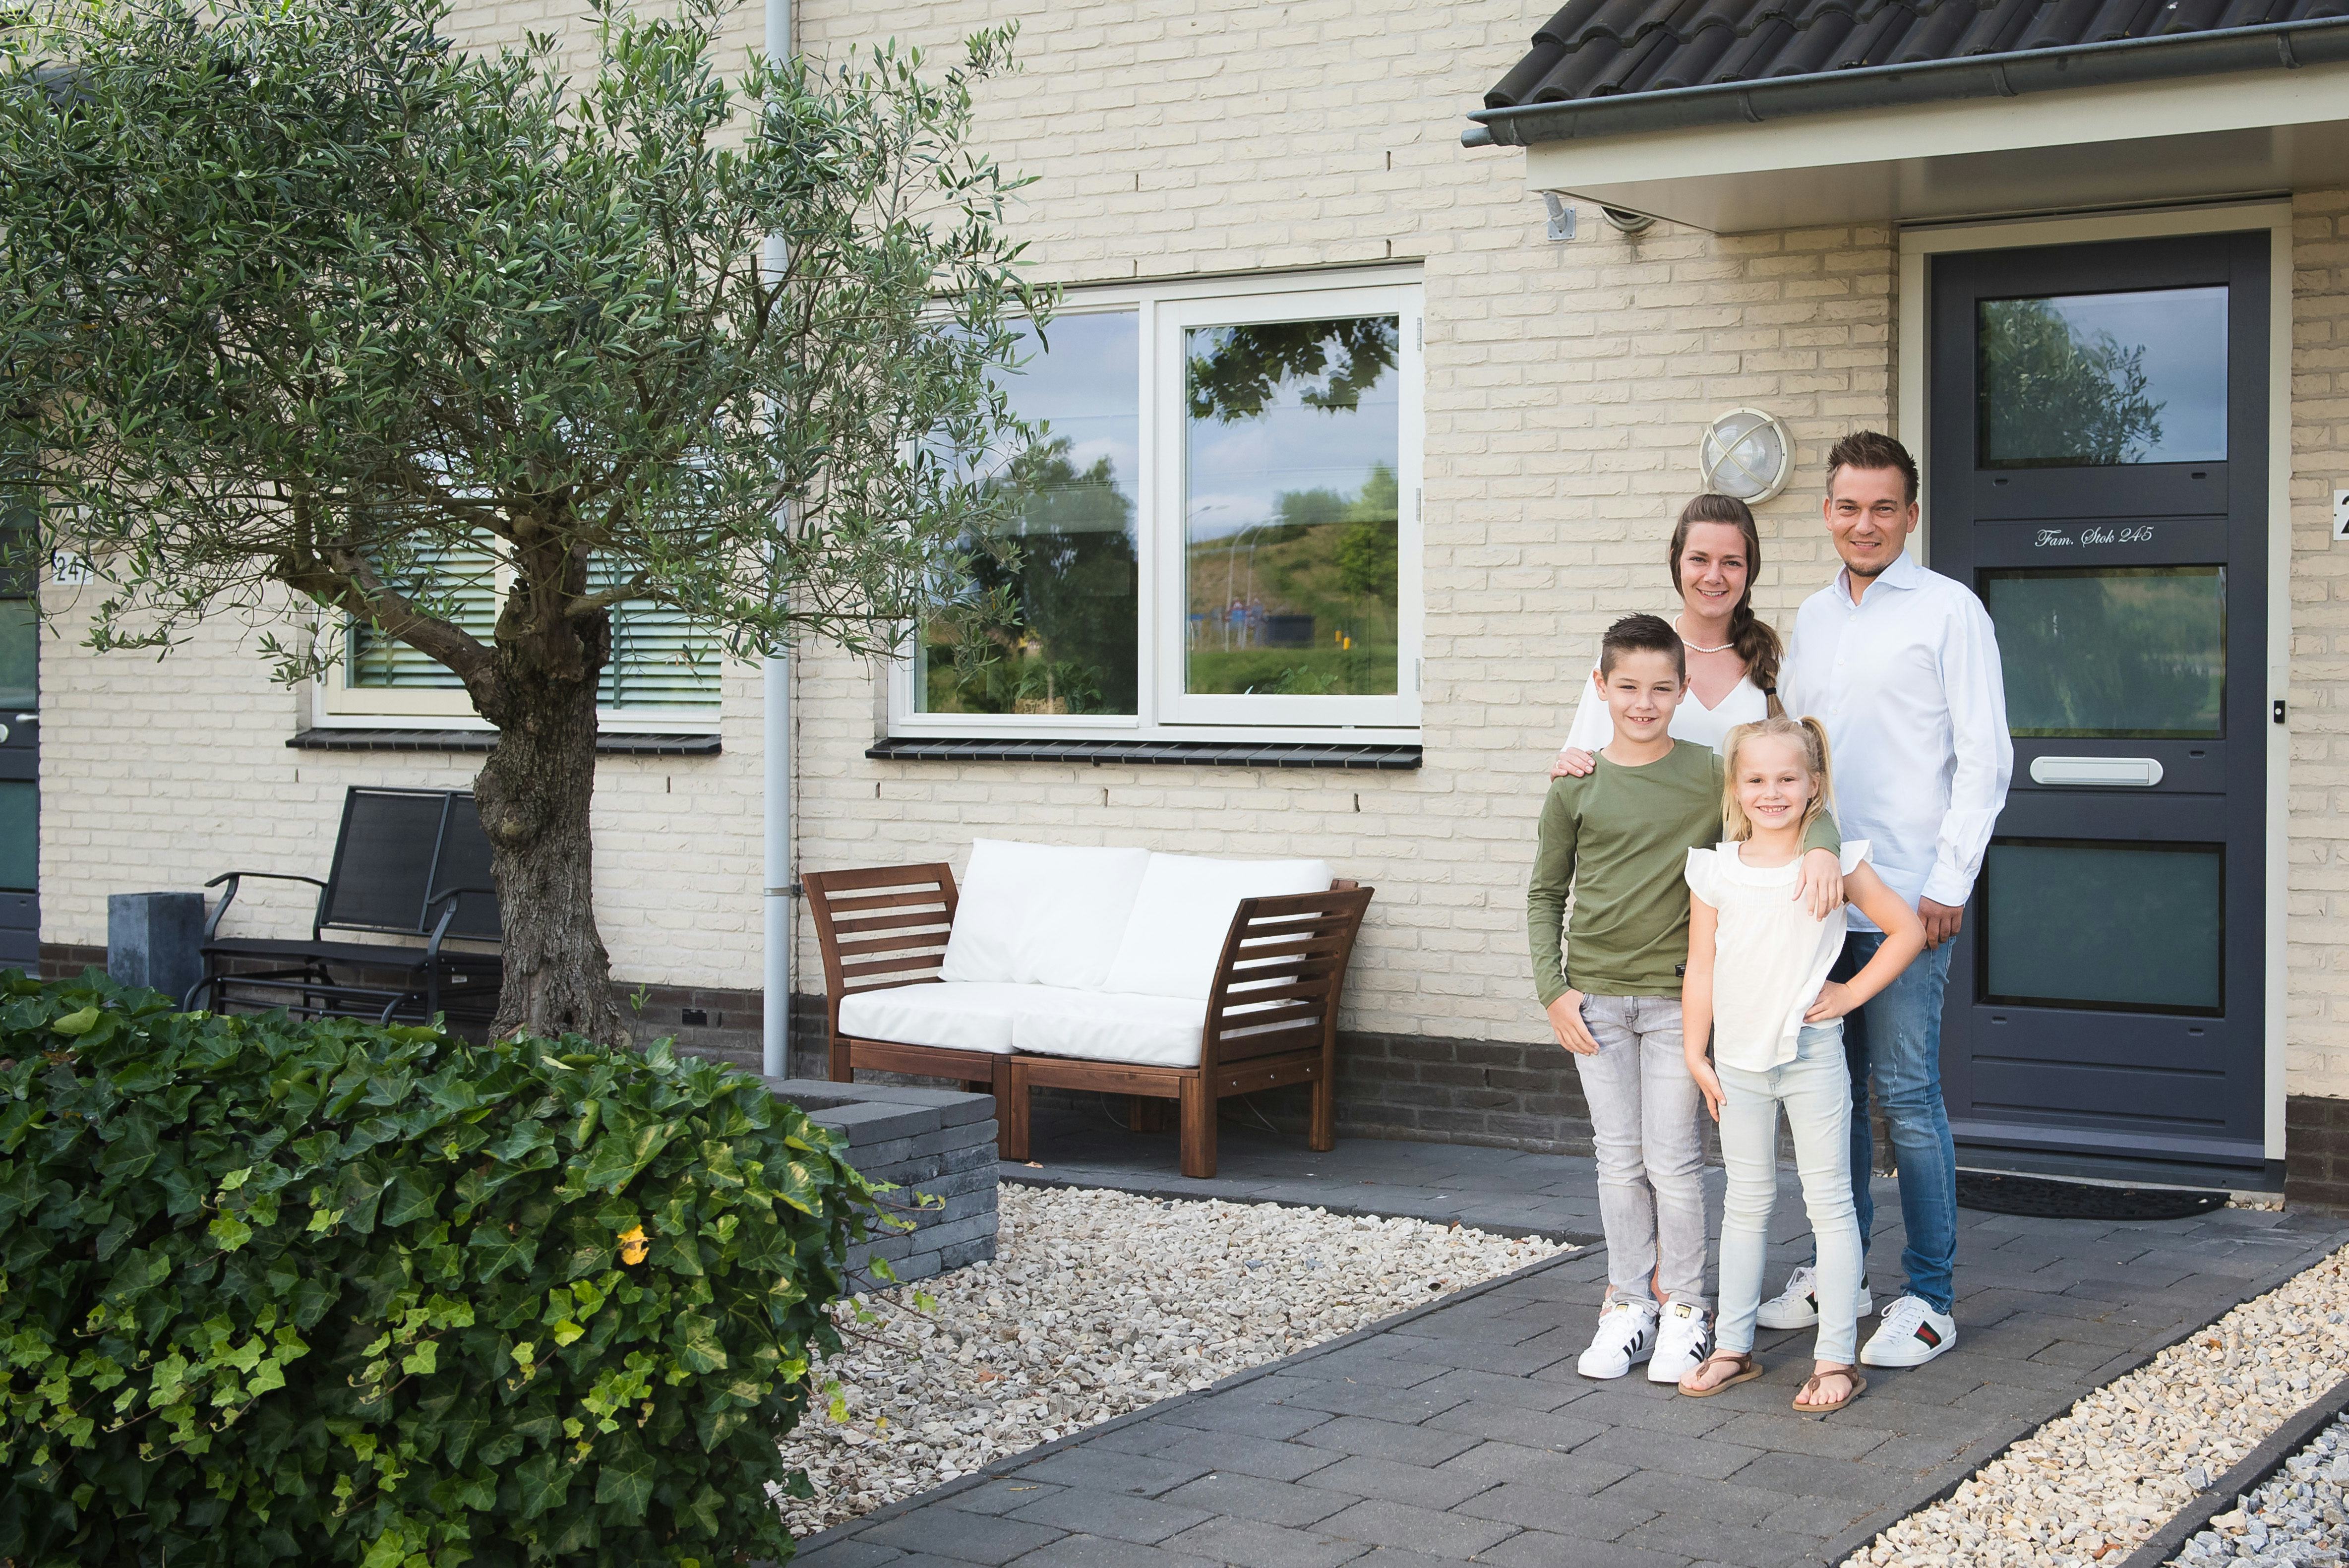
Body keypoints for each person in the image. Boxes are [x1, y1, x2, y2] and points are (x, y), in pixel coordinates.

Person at [1526, 615, 1843, 1386]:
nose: (1643, 702)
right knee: (1616, 1159)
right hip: (1594, 1001)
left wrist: (1825, 845)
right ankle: (1628, 1302)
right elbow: (1545, 892)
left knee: (1673, 1162)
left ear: (1682, 690)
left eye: (1660, 688)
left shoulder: (1710, 772)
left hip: (1676, 1000)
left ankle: (1687, 1307)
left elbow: (1795, 800)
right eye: (1627, 687)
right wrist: (1552, 989)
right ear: (1601, 688)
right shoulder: (1575, 784)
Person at [1753, 430, 2011, 1370]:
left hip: (1907, 899)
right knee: (1834, 1102)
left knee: (1906, 1097)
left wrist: (1949, 878)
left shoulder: (1950, 611)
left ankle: (1931, 1297)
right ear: (1828, 512)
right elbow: (1793, 752)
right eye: (1848, 507)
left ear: (1910, 514)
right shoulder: (1813, 618)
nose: (1864, 523)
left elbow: (1986, 755)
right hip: (1820, 902)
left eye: (1883, 507)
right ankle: (1844, 1273)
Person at [1675, 717, 1925, 1414]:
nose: (1772, 792)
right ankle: (1733, 1345)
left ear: (1813, 785)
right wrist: (1695, 1050)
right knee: (1746, 1202)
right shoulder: (1716, 869)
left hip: (1811, 1058)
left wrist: (1850, 993)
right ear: (1736, 788)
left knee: (1831, 1206)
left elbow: (1905, 930)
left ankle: (1835, 1356)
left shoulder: (1834, 863)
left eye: (1787, 778)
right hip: (1737, 1061)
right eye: (1756, 779)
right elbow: (1702, 965)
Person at [1553, 494, 1784, 770]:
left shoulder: (1775, 667)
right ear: (1677, 560)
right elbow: (1585, 763)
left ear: (1750, 568)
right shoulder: (1631, 657)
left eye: (1731, 562)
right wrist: (1569, 767)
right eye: (1699, 559)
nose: (1713, 576)